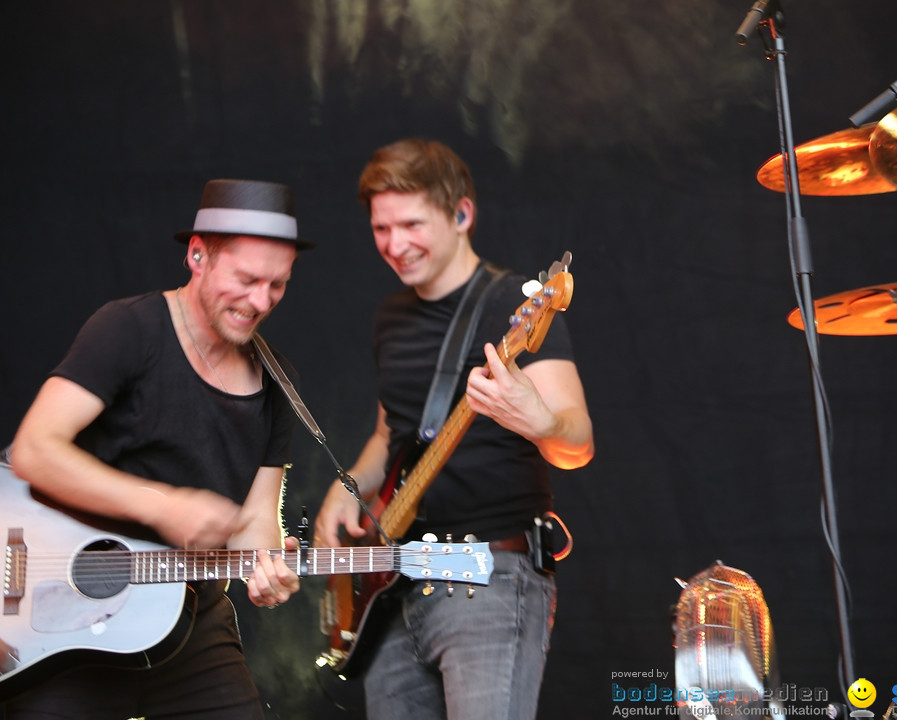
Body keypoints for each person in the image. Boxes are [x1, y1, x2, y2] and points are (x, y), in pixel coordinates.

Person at [4, 179, 311, 719]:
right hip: (63, 612)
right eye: (246, 279)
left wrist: (268, 570)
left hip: (189, 621)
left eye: (277, 285)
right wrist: (163, 505)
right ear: (197, 255)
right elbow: (33, 449)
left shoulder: (277, 381)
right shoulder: (128, 328)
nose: (260, 301)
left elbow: (256, 523)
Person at [314, 138, 594, 720]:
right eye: (381, 228)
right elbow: (389, 437)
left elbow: (577, 442)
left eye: (412, 224)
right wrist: (348, 486)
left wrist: (539, 420)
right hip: (392, 585)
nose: (394, 244)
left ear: (462, 214)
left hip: (488, 578)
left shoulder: (515, 307)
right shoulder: (390, 316)